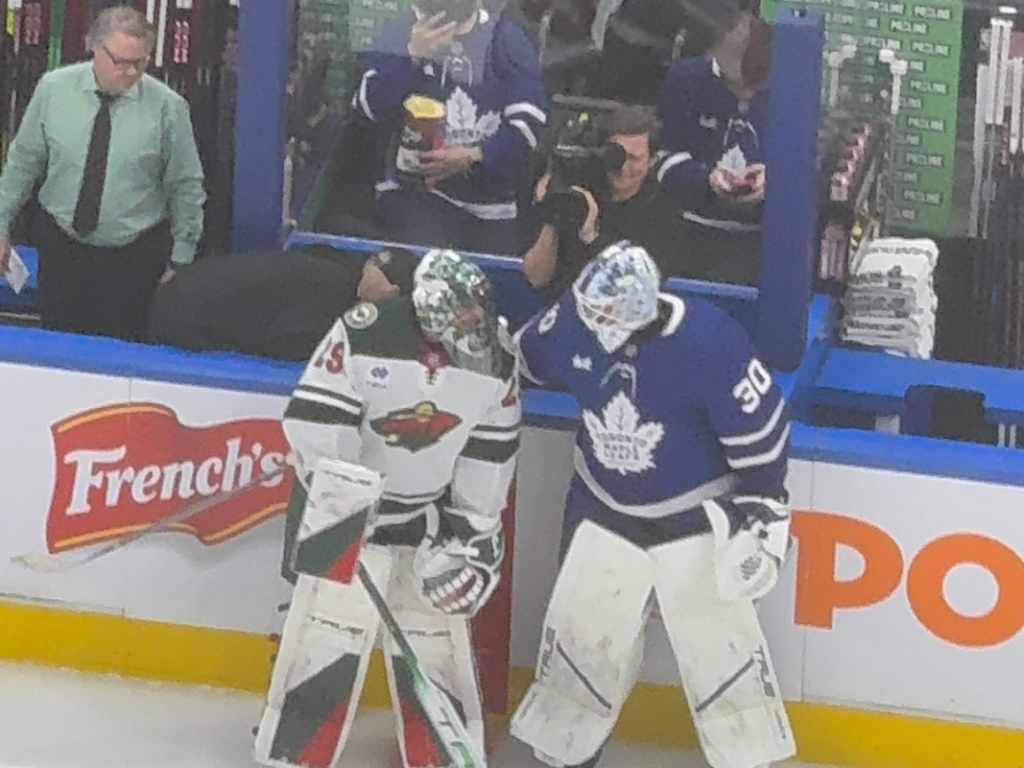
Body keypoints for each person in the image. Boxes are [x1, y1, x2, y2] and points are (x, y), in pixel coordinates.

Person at [509, 241, 795, 768]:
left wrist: (763, 509)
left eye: (604, 314)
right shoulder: (573, 319)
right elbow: (520, 361)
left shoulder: (711, 342)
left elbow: (764, 439)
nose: (589, 322)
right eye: (588, 308)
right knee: (580, 659)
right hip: (601, 510)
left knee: (726, 673)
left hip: (696, 522)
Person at [254, 249, 520, 768]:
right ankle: (294, 754)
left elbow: (490, 454)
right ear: (435, 307)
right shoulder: (365, 332)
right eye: (463, 312)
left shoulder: (498, 357)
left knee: (434, 644)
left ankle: (442, 756)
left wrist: (475, 535)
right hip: (346, 511)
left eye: (477, 311)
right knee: (326, 637)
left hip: (426, 522)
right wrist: (348, 501)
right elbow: (316, 422)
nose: (474, 322)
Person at [0, 6, 205, 342]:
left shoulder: (169, 108)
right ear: (92, 45)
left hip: (132, 259)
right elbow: (23, 164)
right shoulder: (53, 89)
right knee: (59, 351)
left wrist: (181, 259)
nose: (129, 73)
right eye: (119, 61)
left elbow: (185, 186)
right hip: (61, 248)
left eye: (139, 63)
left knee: (123, 357)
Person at [353, 0, 548, 255]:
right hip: (415, 191)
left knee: (494, 280)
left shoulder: (505, 39)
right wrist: (411, 56)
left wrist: (474, 155)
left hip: (490, 205)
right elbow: (368, 107)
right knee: (431, 262)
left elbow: (530, 124)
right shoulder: (400, 32)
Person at [522, 104, 694, 302]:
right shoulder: (577, 192)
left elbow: (639, 290)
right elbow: (536, 278)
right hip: (564, 313)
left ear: (651, 161)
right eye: (616, 155)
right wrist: (552, 214)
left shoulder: (665, 216)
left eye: (634, 158)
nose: (623, 167)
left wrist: (591, 236)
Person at [656, 1, 770, 285]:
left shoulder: (793, 85)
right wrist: (707, 179)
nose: (744, 99)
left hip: (767, 240)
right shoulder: (686, 80)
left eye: (752, 88)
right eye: (736, 87)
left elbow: (814, 167)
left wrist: (775, 182)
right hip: (693, 234)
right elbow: (662, 161)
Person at [147, 246, 420, 361]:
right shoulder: (332, 297)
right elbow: (284, 341)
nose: (369, 269)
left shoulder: (338, 260)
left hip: (189, 282)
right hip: (186, 314)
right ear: (391, 294)